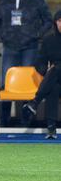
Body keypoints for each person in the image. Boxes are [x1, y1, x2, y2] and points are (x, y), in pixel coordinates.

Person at [0, 0, 52, 127]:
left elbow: (48, 20)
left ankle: (26, 120)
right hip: (10, 47)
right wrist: (1, 35)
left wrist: (37, 34)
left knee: (27, 84)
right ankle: (4, 121)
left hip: (30, 47)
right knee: (6, 83)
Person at [22, 11, 61, 139]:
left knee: (57, 68)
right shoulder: (48, 40)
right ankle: (51, 128)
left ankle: (35, 102)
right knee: (53, 88)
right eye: (60, 21)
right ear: (56, 22)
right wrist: (46, 70)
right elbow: (39, 62)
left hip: (55, 73)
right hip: (55, 79)